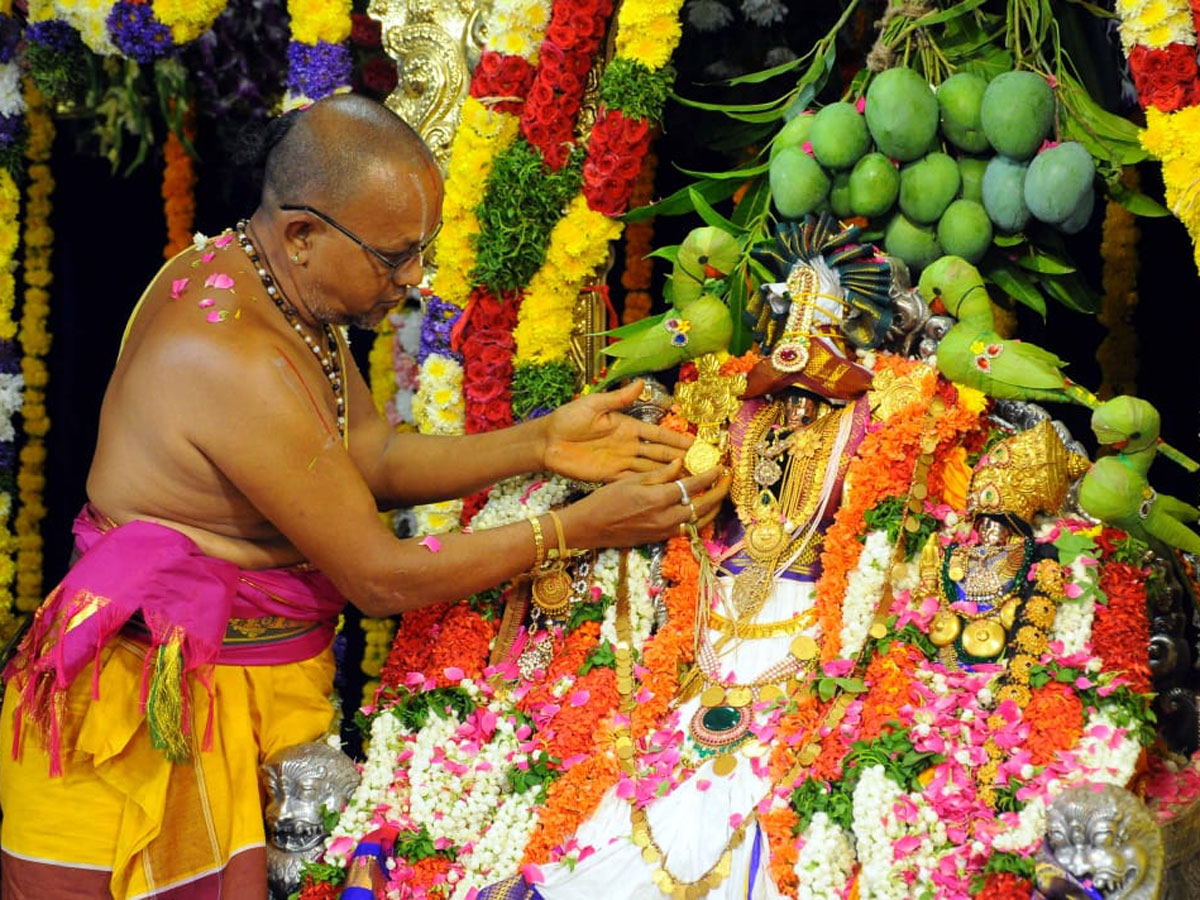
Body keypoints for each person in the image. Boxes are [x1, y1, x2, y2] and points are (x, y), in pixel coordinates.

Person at [0, 94, 728, 899]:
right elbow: (379, 578)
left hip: (249, 681)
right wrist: (577, 529)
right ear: (304, 235)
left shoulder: (271, 285)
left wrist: (542, 440)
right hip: (153, 711)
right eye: (394, 256)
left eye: (420, 250)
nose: (413, 279)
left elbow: (369, 455)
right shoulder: (230, 355)